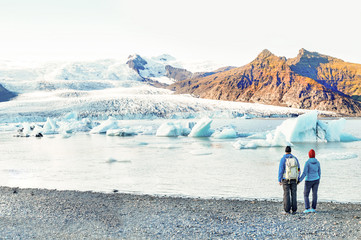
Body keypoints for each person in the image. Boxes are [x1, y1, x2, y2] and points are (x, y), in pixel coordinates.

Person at [278, 146, 301, 214]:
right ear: (291, 151)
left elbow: (281, 170)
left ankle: (287, 210)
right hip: (294, 178)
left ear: (285, 151)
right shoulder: (295, 158)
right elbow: (298, 169)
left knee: (286, 194)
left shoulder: (283, 159)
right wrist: (298, 178)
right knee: (294, 193)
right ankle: (294, 209)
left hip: (286, 179)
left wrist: (279, 179)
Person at [299, 149, 321, 213]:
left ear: (309, 155)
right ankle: (313, 208)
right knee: (314, 194)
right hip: (316, 180)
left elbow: (304, 173)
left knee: (306, 194)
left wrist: (299, 180)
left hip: (308, 181)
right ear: (314, 155)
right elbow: (319, 172)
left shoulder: (307, 162)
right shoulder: (318, 162)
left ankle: (307, 208)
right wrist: (318, 179)